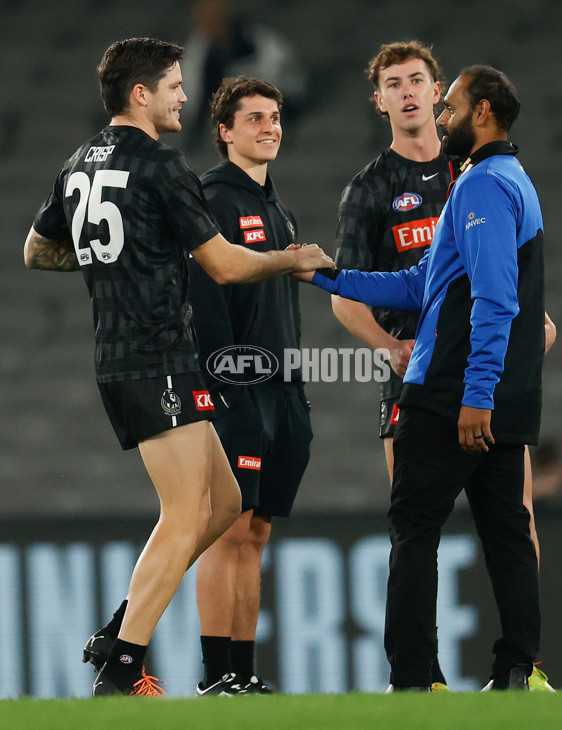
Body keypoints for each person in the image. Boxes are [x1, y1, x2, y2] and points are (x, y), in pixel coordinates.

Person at [23, 37, 333, 698]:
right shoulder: (162, 166)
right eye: (173, 86)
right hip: (154, 354)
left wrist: (114, 257)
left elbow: (36, 251)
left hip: (132, 353)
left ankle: (120, 629)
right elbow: (222, 266)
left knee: (223, 503)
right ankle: (122, 667)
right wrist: (290, 259)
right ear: (142, 93)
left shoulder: (77, 162)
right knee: (187, 511)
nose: (183, 97)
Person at [303, 65, 545, 691]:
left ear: (483, 112)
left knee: (414, 530)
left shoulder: (483, 186)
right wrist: (326, 275)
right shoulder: (502, 180)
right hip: (493, 394)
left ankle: (413, 679)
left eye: (452, 107)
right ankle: (518, 668)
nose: (441, 117)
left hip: (452, 395)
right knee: (507, 530)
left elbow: (494, 300)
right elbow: (420, 285)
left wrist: (475, 396)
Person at [183, 75, 313, 696]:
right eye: (254, 118)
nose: (270, 128)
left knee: (257, 532)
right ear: (226, 131)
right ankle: (216, 677)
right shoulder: (213, 199)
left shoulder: (279, 208)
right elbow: (206, 309)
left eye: (275, 117)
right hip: (238, 392)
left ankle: (243, 672)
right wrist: (223, 389)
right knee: (229, 530)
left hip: (285, 390)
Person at [332, 39, 451, 691]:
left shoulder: (472, 170)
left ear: (437, 90)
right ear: (378, 101)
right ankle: (418, 674)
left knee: (509, 515)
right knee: (416, 528)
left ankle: (521, 664)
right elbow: (346, 291)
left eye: (417, 79)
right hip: (411, 378)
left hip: (482, 369)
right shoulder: (371, 189)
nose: (407, 91)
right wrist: (388, 346)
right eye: (394, 83)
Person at [181, 0, 307, 151]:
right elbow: (192, 91)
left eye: (215, 17)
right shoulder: (199, 50)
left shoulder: (259, 42)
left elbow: (284, 81)